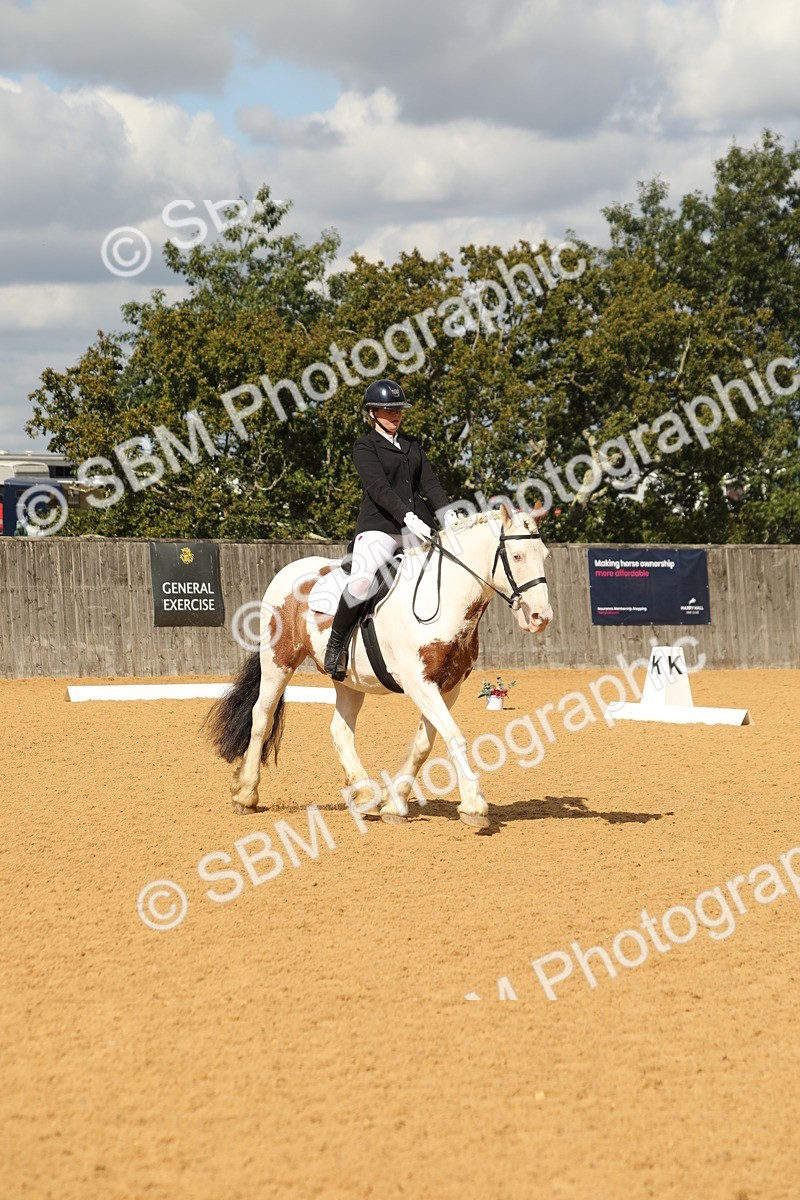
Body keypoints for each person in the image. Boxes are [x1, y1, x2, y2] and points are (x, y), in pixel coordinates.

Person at [324, 379, 451, 680]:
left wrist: (448, 515)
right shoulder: (365, 446)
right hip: (380, 526)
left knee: (447, 571)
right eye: (388, 410)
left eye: (399, 411)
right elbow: (378, 488)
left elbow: (430, 484)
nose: (395, 416)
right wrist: (406, 516)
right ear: (372, 413)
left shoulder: (412, 445)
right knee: (361, 581)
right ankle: (335, 645)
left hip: (416, 527)